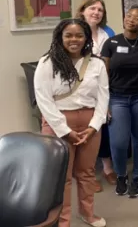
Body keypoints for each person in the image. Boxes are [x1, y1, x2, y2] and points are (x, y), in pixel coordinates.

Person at [34, 19, 108, 227]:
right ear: (60, 37)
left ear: (86, 38)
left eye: (79, 35)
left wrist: (94, 126)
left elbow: (103, 98)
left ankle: (88, 213)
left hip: (89, 122)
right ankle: (62, 220)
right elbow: (43, 99)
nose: (73, 39)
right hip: (57, 120)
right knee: (61, 176)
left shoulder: (97, 64)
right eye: (68, 35)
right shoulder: (47, 62)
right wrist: (64, 130)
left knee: (86, 172)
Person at [100, 6, 138, 197]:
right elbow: (103, 75)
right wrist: (104, 102)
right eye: (129, 16)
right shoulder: (111, 42)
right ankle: (121, 175)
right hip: (117, 98)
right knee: (119, 141)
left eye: (137, 17)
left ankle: (137, 178)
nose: (132, 19)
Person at [76, 0, 116, 192]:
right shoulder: (74, 31)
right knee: (87, 130)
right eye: (92, 8)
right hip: (81, 89)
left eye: (100, 10)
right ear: (83, 10)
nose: (96, 12)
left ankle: (107, 167)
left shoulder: (107, 32)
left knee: (104, 128)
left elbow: (114, 59)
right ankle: (88, 174)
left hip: (103, 86)